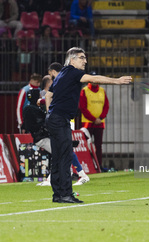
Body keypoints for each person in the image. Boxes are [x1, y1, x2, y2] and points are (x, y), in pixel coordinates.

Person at [45, 47, 132, 203]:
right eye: (81, 57)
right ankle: (65, 194)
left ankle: (58, 194)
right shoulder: (72, 72)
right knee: (65, 156)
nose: (85, 60)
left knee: (57, 157)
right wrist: (116, 80)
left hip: (54, 118)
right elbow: (93, 79)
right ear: (72, 60)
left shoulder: (61, 74)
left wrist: (49, 112)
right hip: (60, 119)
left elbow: (49, 94)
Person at [22, 87, 90, 187]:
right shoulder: (34, 109)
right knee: (63, 152)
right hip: (44, 137)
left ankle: (75, 175)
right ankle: (75, 175)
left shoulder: (34, 108)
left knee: (61, 153)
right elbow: (41, 122)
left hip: (46, 136)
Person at [79, 71, 109, 170]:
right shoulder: (85, 90)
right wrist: (93, 119)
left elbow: (106, 106)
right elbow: (83, 108)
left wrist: (100, 118)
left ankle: (99, 166)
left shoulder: (102, 91)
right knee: (86, 145)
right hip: (87, 123)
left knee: (98, 146)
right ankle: (87, 166)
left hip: (99, 123)